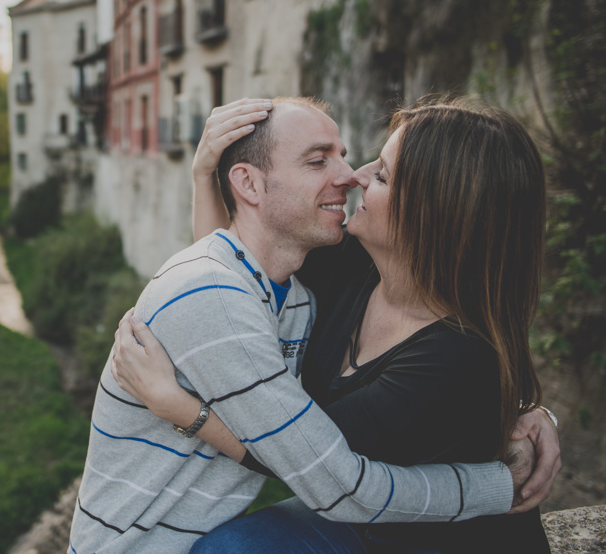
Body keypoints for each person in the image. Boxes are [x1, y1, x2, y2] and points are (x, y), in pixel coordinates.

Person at [67, 97, 543, 554]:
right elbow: (241, 279)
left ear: (433, 213)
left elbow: (317, 468)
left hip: (438, 536)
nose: (354, 177)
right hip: (351, 516)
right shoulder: (348, 268)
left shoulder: (455, 357)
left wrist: (183, 409)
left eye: (381, 175)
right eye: (321, 161)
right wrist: (205, 175)